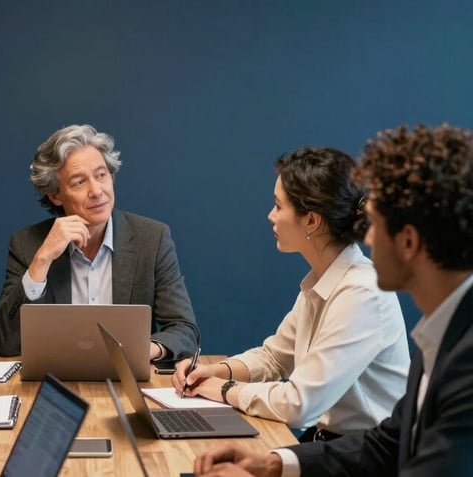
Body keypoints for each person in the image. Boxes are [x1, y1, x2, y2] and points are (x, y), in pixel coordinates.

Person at [192, 124, 473, 477]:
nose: (365, 236)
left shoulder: (462, 358)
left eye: (376, 225)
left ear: (409, 242)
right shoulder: (441, 336)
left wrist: (227, 388)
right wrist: (274, 463)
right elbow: (387, 443)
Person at [173, 147, 410, 439]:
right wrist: (217, 371)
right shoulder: (323, 281)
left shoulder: (361, 294)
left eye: (278, 206)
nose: (270, 216)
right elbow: (274, 358)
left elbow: (300, 405)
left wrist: (223, 390)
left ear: (311, 220)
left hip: (367, 457)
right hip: (330, 444)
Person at [0, 124, 200, 360]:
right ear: (55, 195)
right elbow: (5, 343)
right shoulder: (28, 243)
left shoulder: (152, 238)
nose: (97, 191)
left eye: (101, 175)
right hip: (54, 381)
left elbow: (185, 330)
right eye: (79, 182)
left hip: (128, 380)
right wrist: (42, 260)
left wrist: (147, 349)